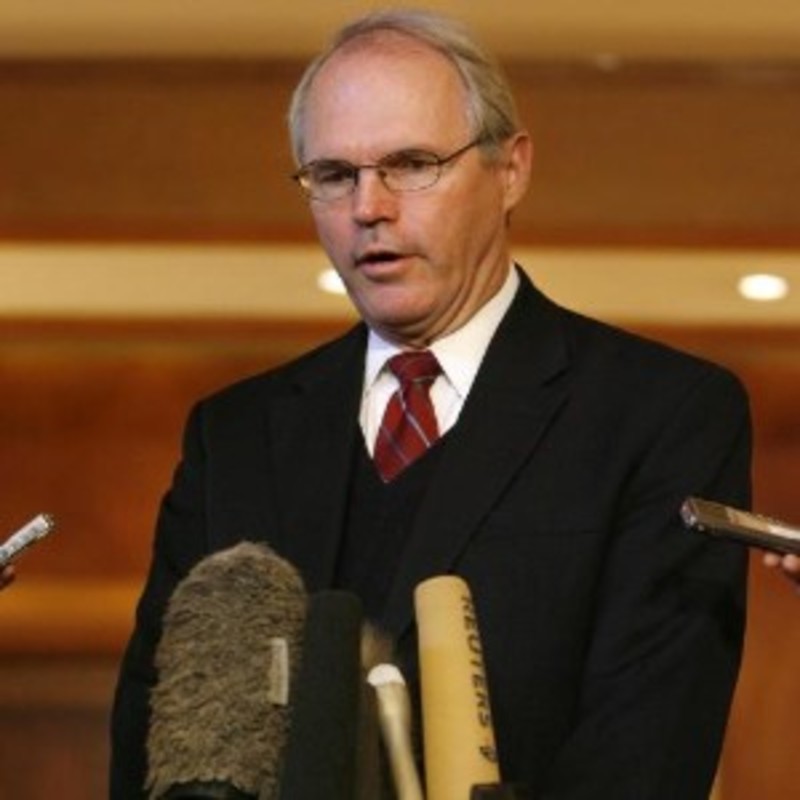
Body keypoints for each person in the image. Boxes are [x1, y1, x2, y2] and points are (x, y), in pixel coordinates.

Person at [110, 9, 752, 799]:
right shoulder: (233, 436)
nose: (368, 207)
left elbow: (649, 750)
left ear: (510, 170)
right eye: (334, 175)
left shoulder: (661, 415)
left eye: (412, 164)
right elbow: (153, 740)